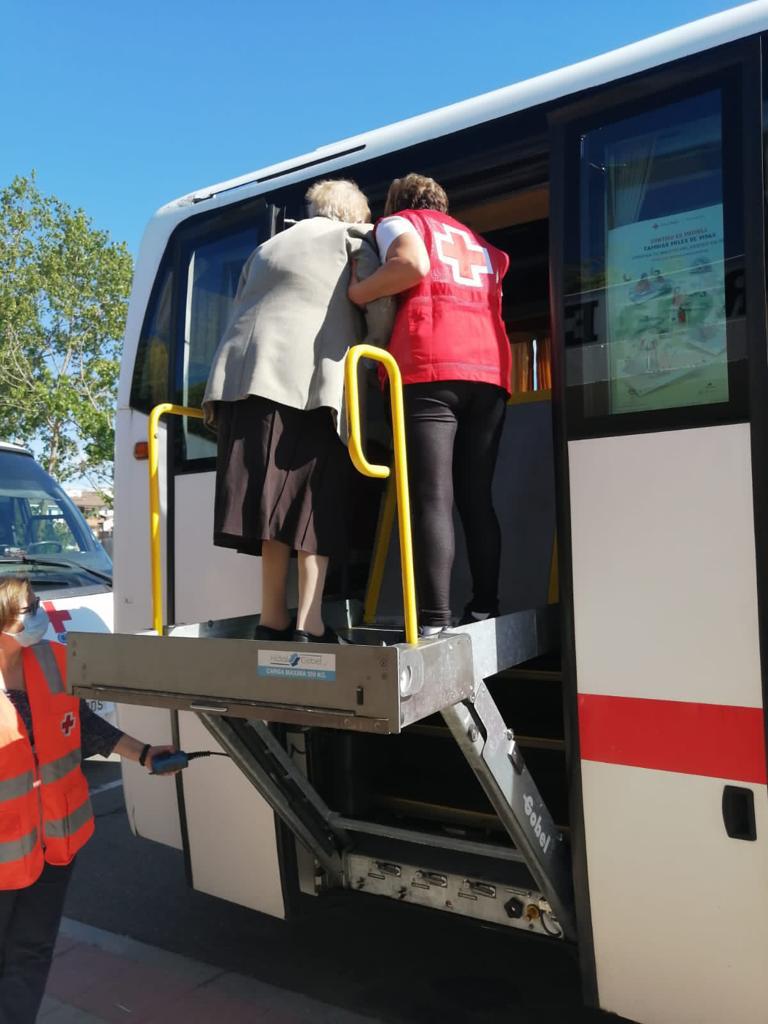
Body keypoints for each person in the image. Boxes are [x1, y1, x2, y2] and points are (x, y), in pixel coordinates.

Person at [203, 179, 393, 644]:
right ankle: (310, 622)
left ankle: (272, 619)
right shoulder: (354, 242)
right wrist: (372, 357)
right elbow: (381, 308)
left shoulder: (266, 248)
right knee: (314, 504)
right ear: (355, 214)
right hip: (309, 384)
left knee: (273, 508)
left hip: (242, 384)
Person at [0, 575, 178, 1023]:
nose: (41, 613)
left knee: (32, 950)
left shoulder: (51, 660)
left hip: (52, 843)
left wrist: (141, 753)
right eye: (29, 608)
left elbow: (80, 725)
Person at [348, 173, 511, 636]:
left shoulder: (398, 222)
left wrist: (358, 292)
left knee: (432, 497)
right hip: (491, 370)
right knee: (477, 497)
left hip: (427, 366)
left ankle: (436, 618)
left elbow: (410, 266)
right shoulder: (479, 243)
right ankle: (484, 607)